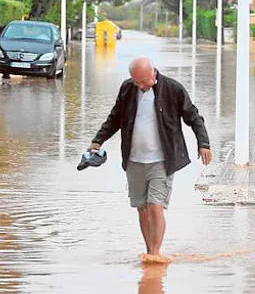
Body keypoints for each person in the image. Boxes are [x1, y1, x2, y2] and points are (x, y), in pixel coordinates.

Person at [89, 56, 212, 262]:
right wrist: (97, 141)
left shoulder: (173, 89)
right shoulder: (128, 89)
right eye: (136, 82)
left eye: (144, 81)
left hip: (162, 160)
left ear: (154, 73)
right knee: (142, 208)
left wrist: (204, 143)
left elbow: (194, 117)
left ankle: (156, 252)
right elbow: (115, 118)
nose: (141, 86)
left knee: (155, 205)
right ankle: (149, 251)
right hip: (134, 160)